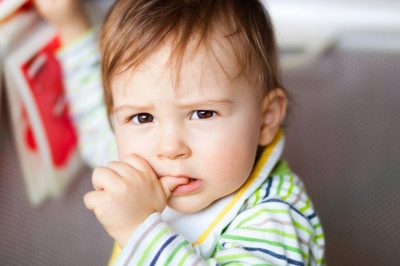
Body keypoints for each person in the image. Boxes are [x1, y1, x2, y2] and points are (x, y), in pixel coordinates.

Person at [36, 0, 325, 265]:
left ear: (265, 119)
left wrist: (138, 231)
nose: (169, 147)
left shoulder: (275, 218)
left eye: (202, 113)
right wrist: (70, 24)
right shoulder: (143, 167)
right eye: (142, 116)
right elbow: (96, 120)